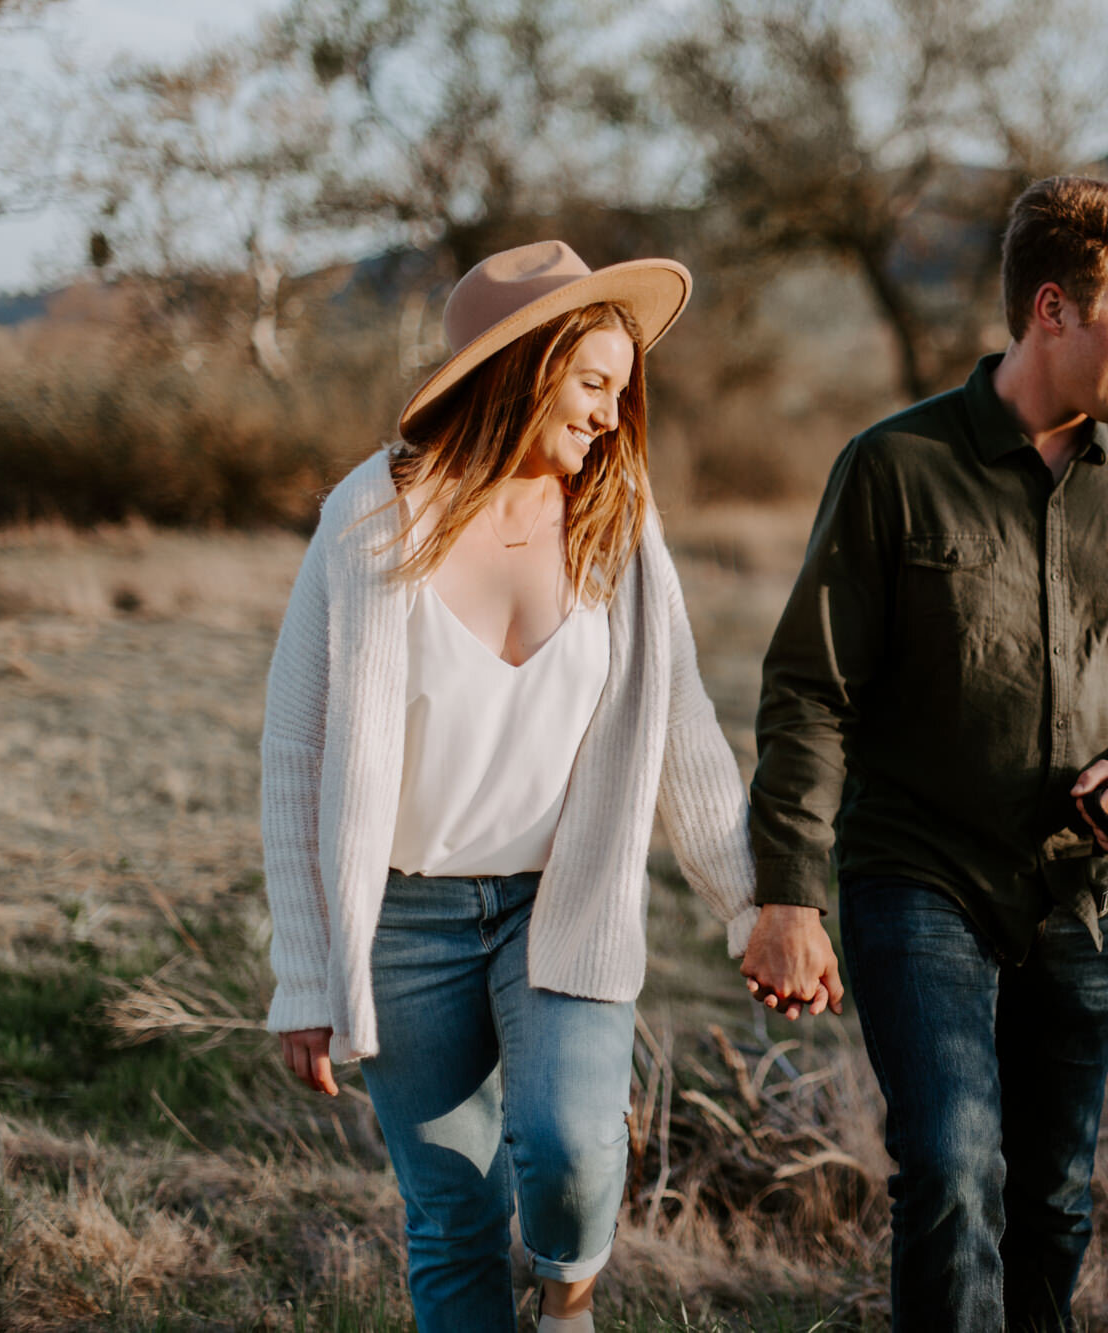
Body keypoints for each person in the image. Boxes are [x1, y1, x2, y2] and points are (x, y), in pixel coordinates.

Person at [741, 176, 1108, 1331]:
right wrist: (786, 895)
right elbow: (811, 689)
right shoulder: (892, 467)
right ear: (1054, 310)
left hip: (1085, 893)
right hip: (916, 876)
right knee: (954, 1171)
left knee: (1052, 1196)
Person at [259, 241, 758, 1332]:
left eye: (622, 393)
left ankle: (568, 1299)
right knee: (452, 1213)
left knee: (573, 1149)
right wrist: (305, 971)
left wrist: (747, 902)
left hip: (559, 901)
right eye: (592, 383)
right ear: (521, 368)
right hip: (403, 919)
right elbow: (294, 753)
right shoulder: (369, 518)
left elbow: (681, 724)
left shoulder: (616, 525)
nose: (610, 416)